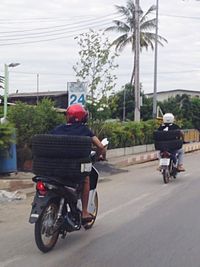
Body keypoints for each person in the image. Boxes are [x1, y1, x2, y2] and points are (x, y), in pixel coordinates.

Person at [50, 103, 106, 223]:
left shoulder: (58, 129)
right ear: (83, 117)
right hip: (74, 169)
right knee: (86, 179)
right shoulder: (85, 130)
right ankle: (85, 212)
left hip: (55, 168)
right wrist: (98, 155)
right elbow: (100, 146)